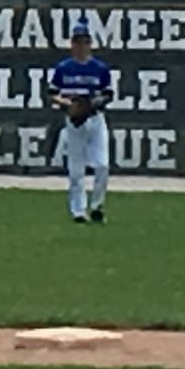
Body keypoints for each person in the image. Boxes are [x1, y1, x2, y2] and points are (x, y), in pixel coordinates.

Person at [49, 19, 113, 224]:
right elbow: (52, 94)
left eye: (84, 41)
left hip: (95, 120)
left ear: (90, 43)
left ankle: (97, 206)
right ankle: (78, 211)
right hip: (74, 122)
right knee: (76, 170)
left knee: (102, 165)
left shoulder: (100, 68)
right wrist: (68, 105)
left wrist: (92, 104)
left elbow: (109, 94)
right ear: (72, 44)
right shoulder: (63, 68)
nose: (80, 46)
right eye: (77, 42)